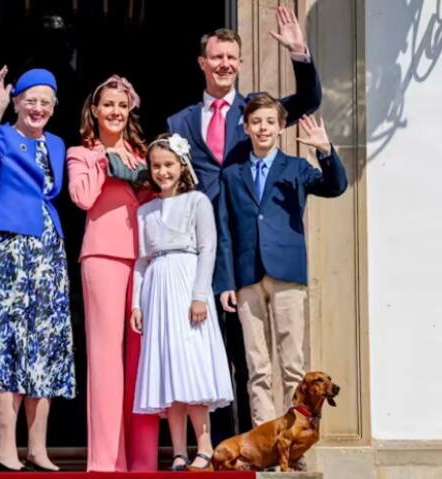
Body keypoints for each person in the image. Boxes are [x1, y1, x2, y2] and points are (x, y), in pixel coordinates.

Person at [166, 6, 322, 439]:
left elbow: (308, 101)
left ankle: (261, 444)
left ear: (239, 62)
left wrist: (299, 54)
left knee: (252, 355)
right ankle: (217, 446)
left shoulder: (257, 111)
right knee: (205, 348)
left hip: (247, 247)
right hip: (196, 247)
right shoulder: (179, 122)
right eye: (217, 57)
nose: (225, 64)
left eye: (231, 58)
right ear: (203, 62)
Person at [0, 66, 76, 472]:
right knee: (8, 344)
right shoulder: (3, 136)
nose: (38, 108)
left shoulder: (58, 143)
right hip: (11, 251)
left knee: (44, 346)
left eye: (46, 102)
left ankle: (38, 448)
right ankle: (4, 448)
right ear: (17, 102)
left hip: (48, 251)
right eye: (30, 100)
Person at [215, 94, 347, 428]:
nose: (263, 128)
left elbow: (336, 186)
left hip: (286, 272)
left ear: (280, 127)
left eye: (270, 122)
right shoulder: (231, 174)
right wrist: (226, 282)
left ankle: (296, 438)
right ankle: (265, 440)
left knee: (292, 364)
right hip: (247, 276)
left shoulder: (296, 168)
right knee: (256, 366)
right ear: (246, 127)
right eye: (256, 122)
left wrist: (325, 151)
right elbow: (225, 230)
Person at [66, 75, 159, 472]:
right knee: (105, 359)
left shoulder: (144, 155)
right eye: (108, 104)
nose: (115, 112)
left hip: (145, 260)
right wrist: (105, 163)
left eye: (122, 105)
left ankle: (143, 461)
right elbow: (83, 198)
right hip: (102, 255)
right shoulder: (80, 154)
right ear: (95, 110)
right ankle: (107, 462)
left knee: (143, 359)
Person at [130, 133, 233, 471]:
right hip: (158, 290)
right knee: (169, 370)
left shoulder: (197, 202)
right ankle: (178, 451)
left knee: (192, 365)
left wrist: (200, 295)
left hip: (187, 284)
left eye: (169, 165)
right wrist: (136, 304)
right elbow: (142, 261)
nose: (163, 172)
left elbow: (208, 248)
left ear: (182, 165)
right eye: (156, 166)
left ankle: (204, 446)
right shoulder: (145, 211)